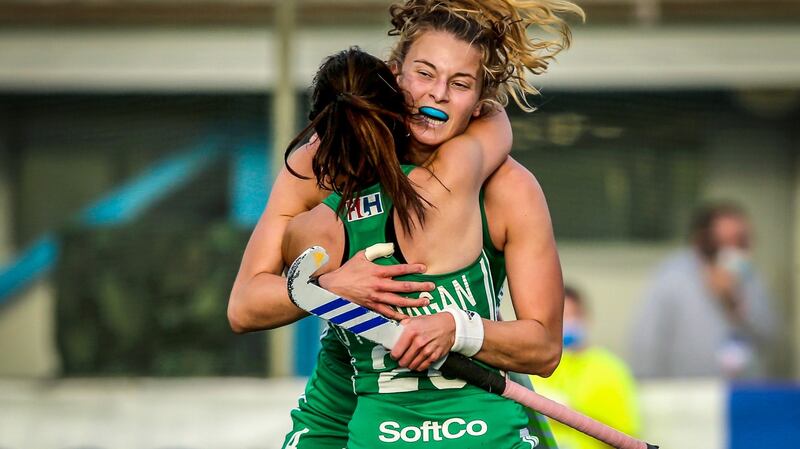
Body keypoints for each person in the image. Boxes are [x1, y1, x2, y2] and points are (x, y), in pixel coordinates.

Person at [226, 1, 582, 447]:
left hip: (467, 411)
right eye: (425, 74)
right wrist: (332, 287)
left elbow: (544, 347)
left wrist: (461, 328)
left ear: (479, 101)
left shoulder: (507, 186)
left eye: (460, 83)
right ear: (395, 74)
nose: (438, 94)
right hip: (346, 410)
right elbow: (244, 305)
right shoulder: (325, 162)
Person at [630, 201, 777, 379]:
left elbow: (770, 335)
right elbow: (647, 340)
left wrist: (734, 302)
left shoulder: (751, 277)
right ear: (701, 241)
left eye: (741, 241)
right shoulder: (673, 276)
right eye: (724, 242)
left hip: (742, 393)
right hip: (689, 395)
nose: (733, 250)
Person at [533, 285, 640, 449]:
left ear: (585, 318)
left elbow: (628, 440)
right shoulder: (531, 367)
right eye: (559, 317)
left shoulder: (610, 369)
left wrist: (568, 414)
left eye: (571, 316)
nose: (566, 324)